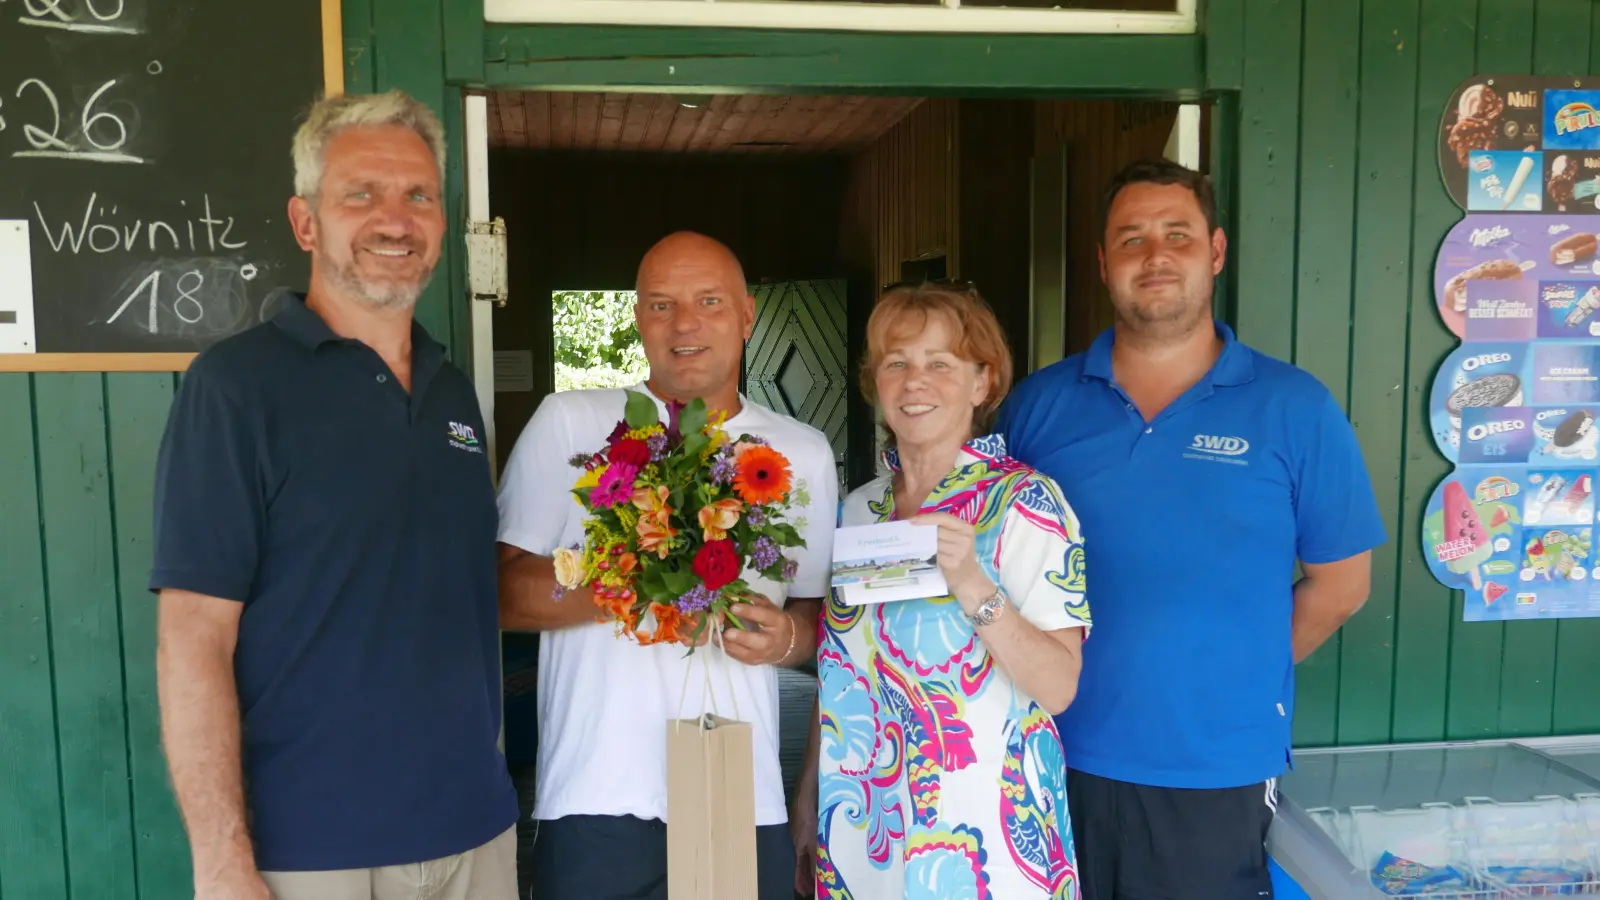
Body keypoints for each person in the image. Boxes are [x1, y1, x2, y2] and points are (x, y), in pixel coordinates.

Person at [149, 90, 518, 900]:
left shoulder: (455, 394)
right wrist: (221, 863)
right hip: (313, 852)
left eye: (418, 195)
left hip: (475, 834)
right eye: (362, 194)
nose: (396, 218)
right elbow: (193, 640)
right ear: (306, 222)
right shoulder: (236, 389)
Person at [998, 157, 1386, 899]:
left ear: (1214, 251)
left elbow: (1341, 587)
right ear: (1103, 261)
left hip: (1212, 772)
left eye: (1177, 234)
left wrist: (1229, 672)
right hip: (1045, 755)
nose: (1155, 255)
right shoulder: (1039, 408)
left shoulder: (1294, 408)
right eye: (1132, 237)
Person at [495, 231, 839, 900]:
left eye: (709, 301)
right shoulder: (570, 423)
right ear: (637, 319)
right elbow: (501, 590)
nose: (685, 323)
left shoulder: (803, 451)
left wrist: (788, 638)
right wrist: (633, 577)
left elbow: (821, 614)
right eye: (661, 304)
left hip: (738, 793)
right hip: (595, 798)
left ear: (747, 316)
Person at [796, 282, 1092, 900]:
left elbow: (1060, 687)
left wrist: (971, 583)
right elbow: (843, 676)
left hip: (986, 836)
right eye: (896, 363)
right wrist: (809, 803)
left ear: (983, 383)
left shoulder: (1025, 504)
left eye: (940, 364)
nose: (914, 381)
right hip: (863, 830)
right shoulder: (860, 511)